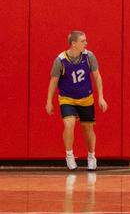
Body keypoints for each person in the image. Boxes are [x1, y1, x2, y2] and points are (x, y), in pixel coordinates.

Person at [45, 31, 108, 171]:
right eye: (83, 41)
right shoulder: (60, 60)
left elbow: (97, 77)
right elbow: (53, 81)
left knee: (88, 128)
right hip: (67, 98)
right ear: (74, 44)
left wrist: (101, 97)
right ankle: (69, 155)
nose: (86, 43)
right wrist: (49, 101)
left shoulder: (89, 56)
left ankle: (91, 156)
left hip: (86, 98)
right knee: (69, 124)